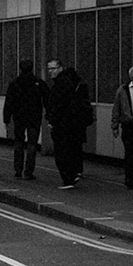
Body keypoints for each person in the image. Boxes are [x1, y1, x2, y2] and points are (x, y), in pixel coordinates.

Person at [45, 58, 92, 189]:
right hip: (76, 122)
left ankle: (68, 179)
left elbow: (58, 105)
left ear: (61, 68)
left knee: (62, 151)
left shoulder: (60, 84)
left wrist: (51, 120)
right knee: (74, 148)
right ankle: (76, 172)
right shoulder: (75, 81)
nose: (50, 72)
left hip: (63, 123)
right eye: (49, 69)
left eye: (53, 69)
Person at [1, 59, 49, 180]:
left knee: (18, 143)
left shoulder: (15, 83)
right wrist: (49, 115)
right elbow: (47, 99)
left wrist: (6, 119)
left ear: (20, 68)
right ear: (32, 68)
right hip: (34, 117)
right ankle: (29, 172)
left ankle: (18, 170)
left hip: (19, 117)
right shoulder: (38, 82)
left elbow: (9, 103)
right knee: (32, 144)